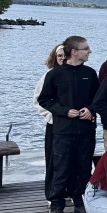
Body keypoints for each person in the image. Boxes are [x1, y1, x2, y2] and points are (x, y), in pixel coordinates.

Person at [39, 35, 99, 213]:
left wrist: (90, 109)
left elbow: (98, 99)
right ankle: (56, 205)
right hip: (63, 131)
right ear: (74, 52)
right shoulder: (55, 74)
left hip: (86, 130)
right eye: (85, 48)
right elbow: (44, 100)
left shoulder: (90, 73)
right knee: (61, 168)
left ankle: (79, 201)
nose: (89, 51)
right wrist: (64, 111)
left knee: (84, 167)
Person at [33, 43, 65, 201]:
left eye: (65, 55)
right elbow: (38, 101)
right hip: (54, 125)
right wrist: (53, 117)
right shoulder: (48, 76)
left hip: (74, 125)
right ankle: (52, 195)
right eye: (59, 56)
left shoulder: (79, 74)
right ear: (54, 57)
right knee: (53, 160)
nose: (62, 58)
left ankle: (72, 192)